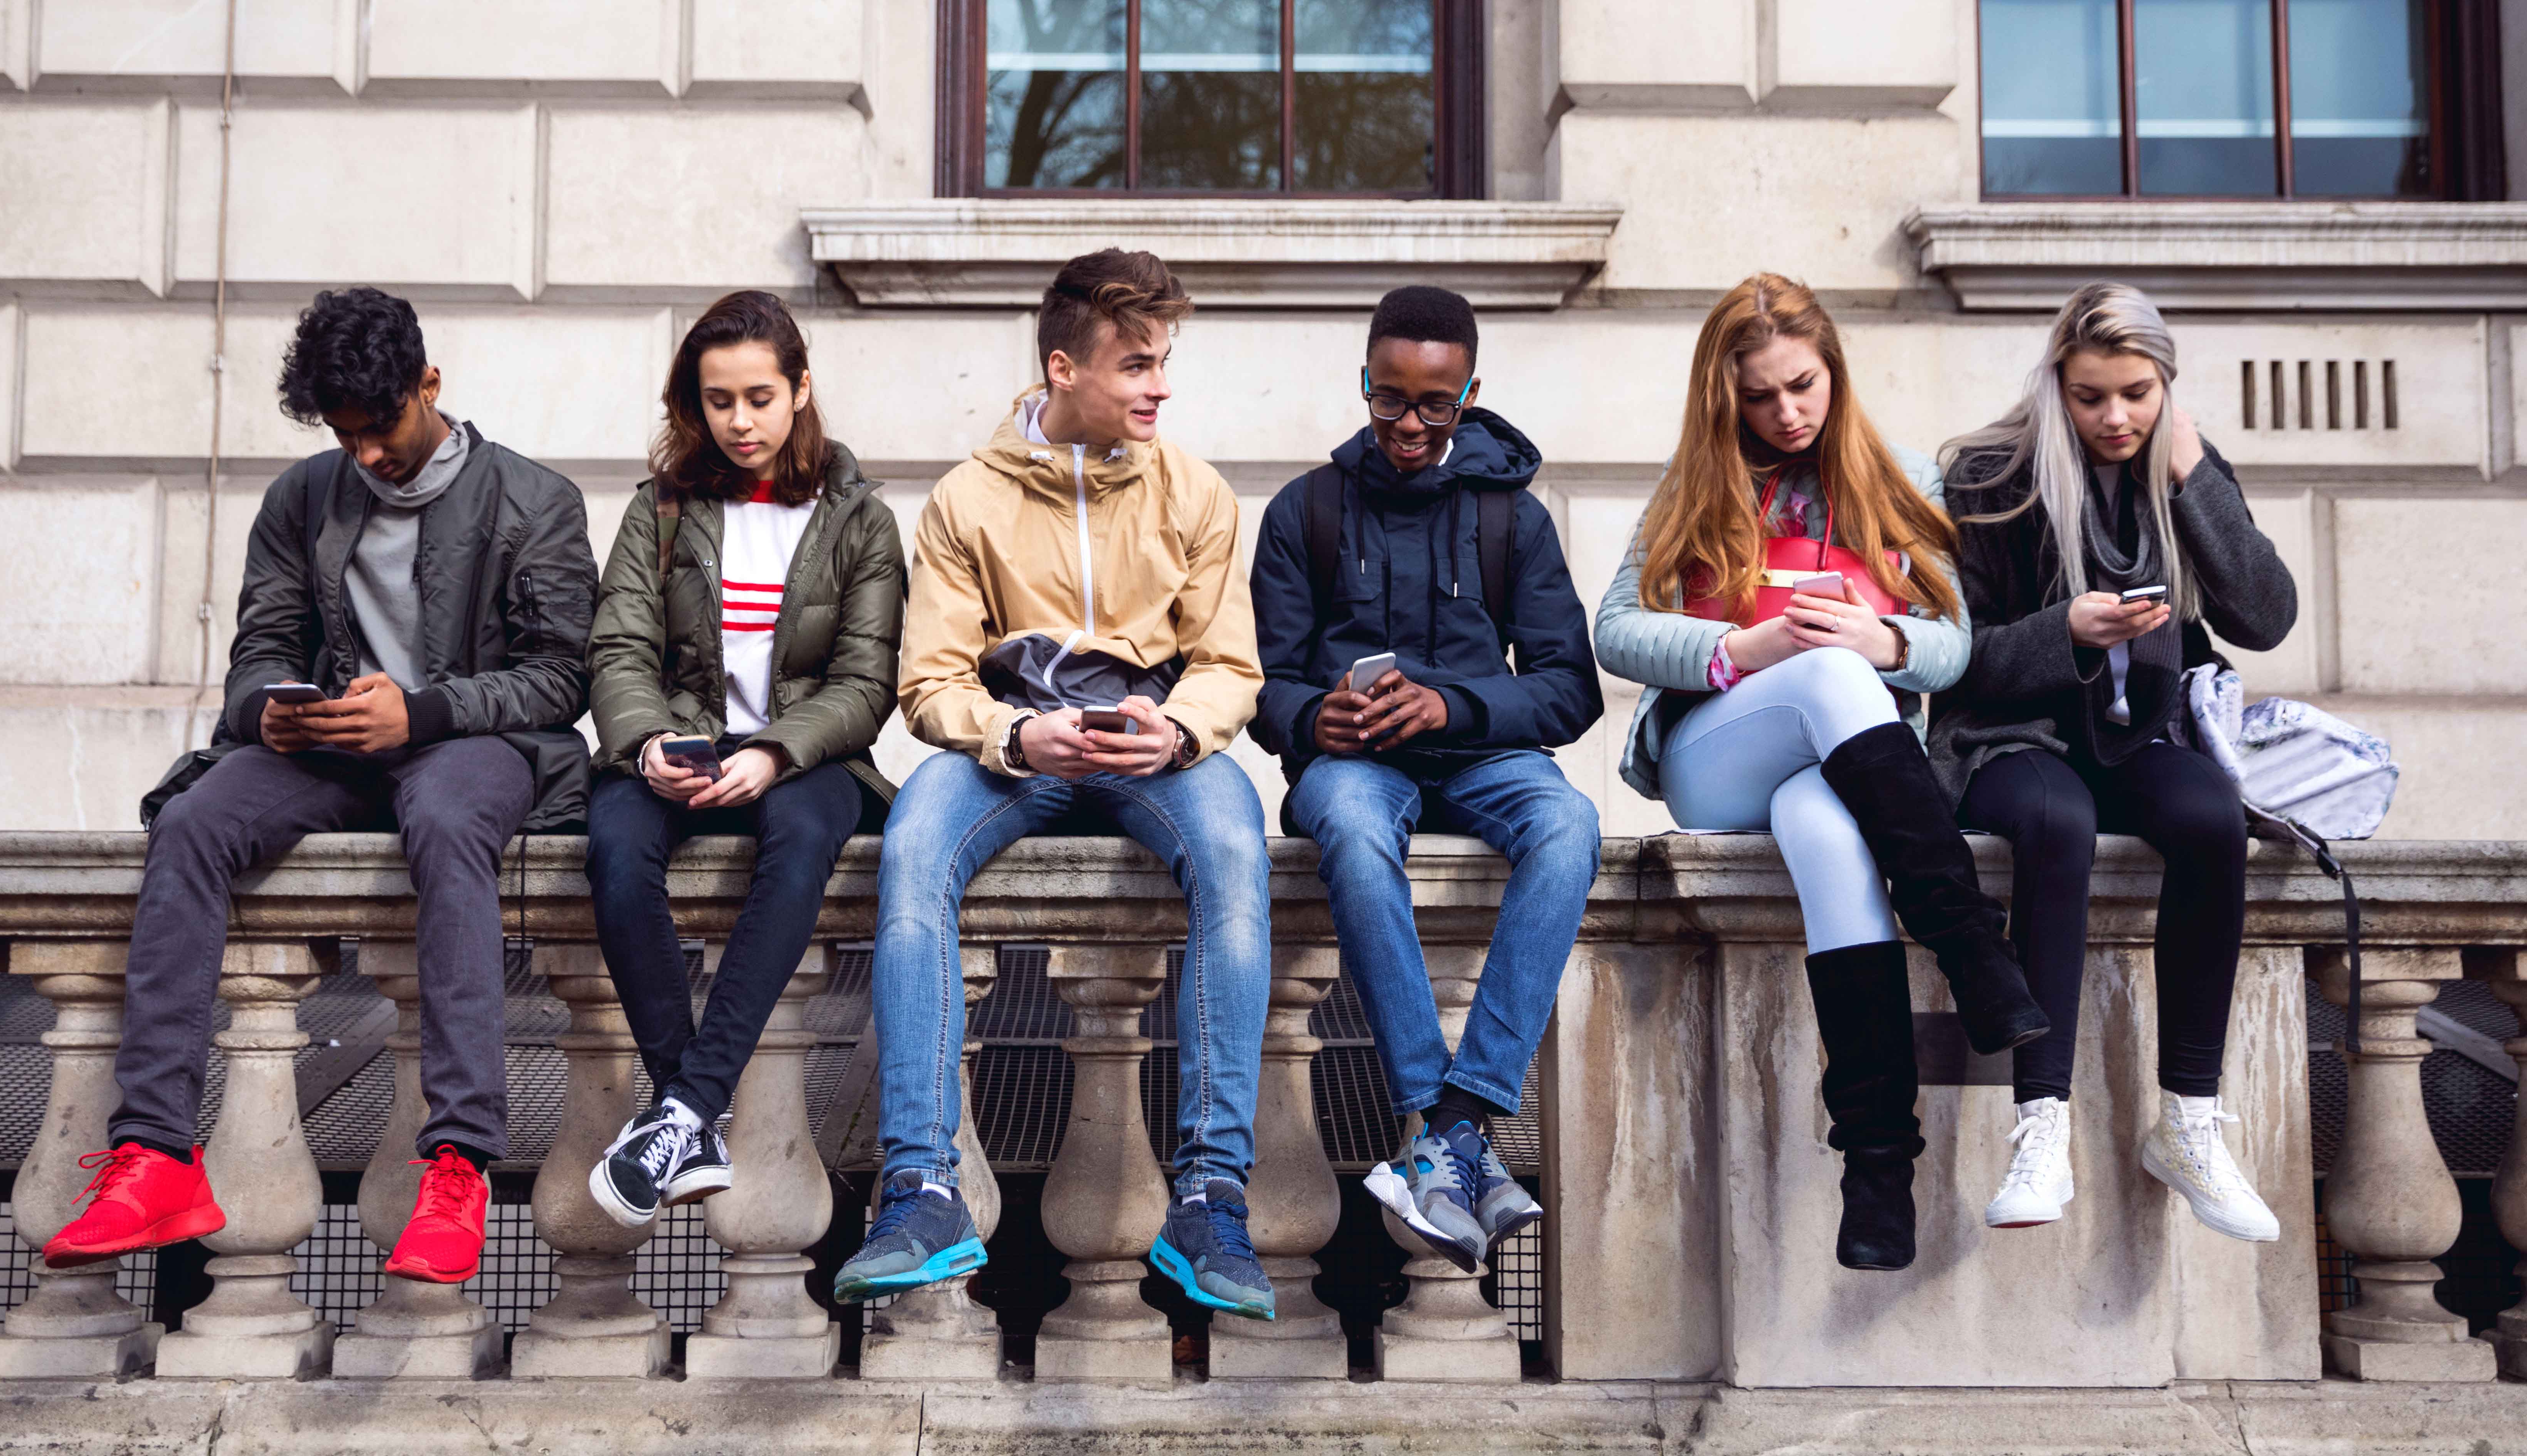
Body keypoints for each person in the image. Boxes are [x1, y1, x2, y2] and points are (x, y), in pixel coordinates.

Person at [44, 287, 598, 1285]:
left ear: (430, 385)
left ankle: (460, 1162)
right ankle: (158, 1155)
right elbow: (258, 650)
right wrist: (271, 712)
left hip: (468, 747)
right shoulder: (303, 500)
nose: (367, 456)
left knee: (444, 815)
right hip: (333, 753)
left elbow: (561, 679)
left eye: (381, 427)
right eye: (346, 436)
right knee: (195, 820)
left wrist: (420, 715)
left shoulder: (536, 502)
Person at [829, 249, 1277, 1319]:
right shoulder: (966, 499)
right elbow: (929, 681)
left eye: (1164, 361)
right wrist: (1019, 736)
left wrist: (1172, 728)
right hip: (1011, 753)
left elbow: (1230, 666)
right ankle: (922, 1188)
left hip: (1152, 749)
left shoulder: (1196, 492)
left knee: (1232, 852)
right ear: (1065, 365)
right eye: (1136, 364)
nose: (1158, 385)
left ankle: (1211, 1195)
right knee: (912, 852)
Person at [1592, 272, 2046, 1273]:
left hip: (1839, 764)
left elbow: (1955, 646)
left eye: (1804, 385)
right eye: (1761, 396)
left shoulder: (1903, 481)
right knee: (1830, 678)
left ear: (1834, 370)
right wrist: (1746, 650)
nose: (1788, 412)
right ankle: (1971, 947)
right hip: (1720, 757)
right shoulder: (1698, 487)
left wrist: (1883, 639)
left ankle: (1879, 1168)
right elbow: (1614, 630)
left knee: (1832, 837)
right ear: (1726, 397)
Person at [1247, 285, 1600, 1272]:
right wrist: (1310, 715)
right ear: (1365, 383)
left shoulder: (1512, 520)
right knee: (1353, 836)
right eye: (1389, 398)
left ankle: (1457, 1118)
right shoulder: (1304, 511)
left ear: (1469, 394)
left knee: (1569, 822)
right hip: (1354, 765)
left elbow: (1571, 691)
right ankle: (1431, 1117)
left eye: (1433, 404)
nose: (1408, 423)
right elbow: (1258, 682)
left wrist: (1455, 705)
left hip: (1487, 757)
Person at [1935, 282, 2296, 1241]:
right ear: (2059, 383)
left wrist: (2194, 480)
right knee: (2061, 824)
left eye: (2136, 392)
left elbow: (2266, 616)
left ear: (2165, 385)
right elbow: (1954, 654)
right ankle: (2040, 1126)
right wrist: (2069, 631)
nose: (2115, 416)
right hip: (2012, 740)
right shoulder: (1988, 477)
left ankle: (2188, 1121)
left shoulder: (2184, 468)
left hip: (2142, 736)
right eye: (2092, 394)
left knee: (2215, 820)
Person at [581, 291, 903, 1227]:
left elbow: (866, 682)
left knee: (802, 841)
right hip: (679, 742)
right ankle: (692, 1109)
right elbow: (620, 649)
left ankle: (683, 1106)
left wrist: (772, 751)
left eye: (759, 396)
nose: (739, 420)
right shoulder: (663, 511)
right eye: (718, 400)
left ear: (800, 390)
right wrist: (645, 747)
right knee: (612, 842)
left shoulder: (859, 522)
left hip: (808, 760)